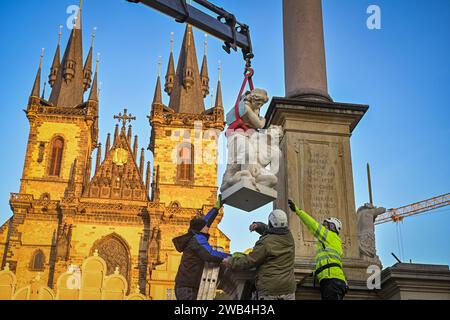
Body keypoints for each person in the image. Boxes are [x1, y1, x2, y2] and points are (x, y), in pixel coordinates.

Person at [223, 209, 296, 300]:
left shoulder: (265, 243)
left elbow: (250, 261)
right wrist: (259, 226)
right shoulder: (289, 237)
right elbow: (274, 231)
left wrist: (230, 261)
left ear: (270, 222)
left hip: (270, 290)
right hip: (288, 289)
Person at [288, 199, 348, 300]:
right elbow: (327, 261)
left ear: (332, 226)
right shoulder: (333, 241)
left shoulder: (330, 236)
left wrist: (298, 211)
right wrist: (316, 272)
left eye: (326, 224)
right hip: (334, 281)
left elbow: (313, 225)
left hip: (331, 281)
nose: (323, 226)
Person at [173, 196, 231, 300]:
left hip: (186, 287)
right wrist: (230, 256)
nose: (208, 228)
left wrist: (216, 208)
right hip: (187, 289)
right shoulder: (197, 239)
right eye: (206, 227)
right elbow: (210, 254)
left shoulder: (195, 233)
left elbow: (206, 221)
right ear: (201, 228)